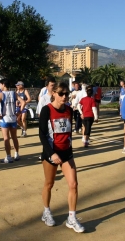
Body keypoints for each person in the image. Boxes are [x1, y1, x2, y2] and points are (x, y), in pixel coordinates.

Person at [39, 82, 85, 233]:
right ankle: (46, 212)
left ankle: (71, 218)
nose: (64, 96)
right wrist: (51, 153)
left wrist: (69, 149)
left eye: (66, 93)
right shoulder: (47, 110)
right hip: (51, 153)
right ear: (53, 93)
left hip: (66, 153)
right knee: (49, 184)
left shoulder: (69, 110)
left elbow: (69, 132)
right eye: (61, 93)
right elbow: (42, 134)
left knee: (73, 184)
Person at [0, 78, 25, 163]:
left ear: (3, 84)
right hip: (13, 118)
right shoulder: (14, 93)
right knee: (14, 137)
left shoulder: (1, 94)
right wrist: (19, 112)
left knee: (6, 138)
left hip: (5, 118)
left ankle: (8, 157)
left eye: (0, 84)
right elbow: (23, 102)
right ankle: (16, 154)